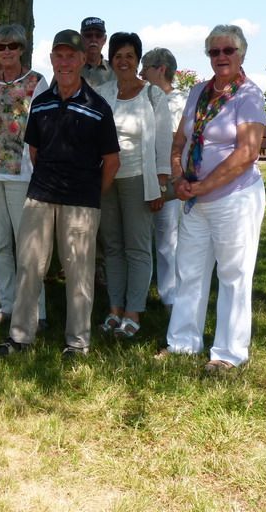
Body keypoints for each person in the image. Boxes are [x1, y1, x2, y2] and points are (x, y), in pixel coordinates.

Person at [0, 30, 119, 359]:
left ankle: (77, 343)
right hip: (41, 196)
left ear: (82, 60)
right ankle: (20, 337)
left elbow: (111, 161)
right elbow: (34, 151)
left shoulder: (98, 107)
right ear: (51, 59)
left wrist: (93, 192)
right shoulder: (41, 103)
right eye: (59, 55)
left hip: (81, 201)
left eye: (71, 56)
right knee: (29, 267)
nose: (64, 62)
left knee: (79, 272)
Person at [164, 24, 266, 374]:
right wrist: (179, 176)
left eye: (228, 51)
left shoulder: (249, 95)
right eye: (214, 52)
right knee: (188, 271)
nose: (221, 57)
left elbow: (247, 153)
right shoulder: (197, 92)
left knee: (234, 274)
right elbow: (180, 141)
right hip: (193, 197)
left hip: (234, 198)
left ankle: (228, 352)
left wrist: (203, 186)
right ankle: (181, 343)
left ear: (241, 54)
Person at [0, 24, 48, 330]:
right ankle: (8, 306)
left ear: (22, 48)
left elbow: (43, 130)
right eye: (0, 47)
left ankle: (37, 311)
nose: (5, 52)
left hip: (23, 176)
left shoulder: (36, 83)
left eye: (11, 46)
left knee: (27, 245)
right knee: (0, 243)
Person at [95, 32, 172, 339]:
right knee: (112, 247)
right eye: (118, 56)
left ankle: (134, 312)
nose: (123, 61)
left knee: (138, 248)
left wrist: (161, 183)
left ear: (137, 60)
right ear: (111, 61)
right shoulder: (101, 93)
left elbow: (164, 141)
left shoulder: (153, 95)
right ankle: (115, 309)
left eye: (129, 56)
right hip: (106, 178)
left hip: (140, 179)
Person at [140, 46, 187, 309]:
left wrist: (168, 180)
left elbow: (180, 144)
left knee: (168, 241)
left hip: (168, 183)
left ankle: (171, 298)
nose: (142, 74)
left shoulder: (180, 102)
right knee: (140, 241)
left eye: (145, 68)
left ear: (161, 69)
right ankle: (140, 294)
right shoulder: (144, 98)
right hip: (141, 178)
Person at [80, 17, 114, 88]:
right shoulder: (69, 68)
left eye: (98, 35)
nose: (93, 39)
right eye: (88, 35)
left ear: (104, 39)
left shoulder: (115, 70)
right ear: (81, 38)